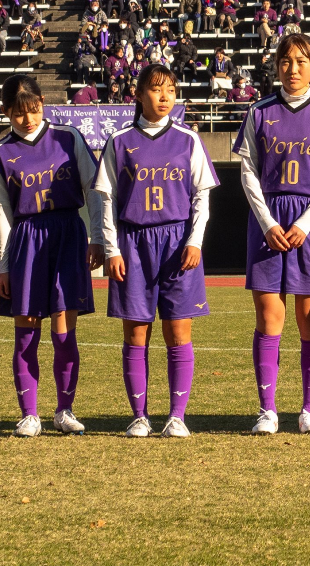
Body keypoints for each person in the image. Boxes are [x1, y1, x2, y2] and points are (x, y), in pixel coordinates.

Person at [93, 65, 221, 438]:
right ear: (138, 95)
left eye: (171, 89)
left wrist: (195, 240)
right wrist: (111, 248)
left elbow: (202, 197)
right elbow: (106, 200)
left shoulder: (188, 139)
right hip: (132, 243)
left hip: (178, 242)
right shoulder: (120, 141)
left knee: (178, 331)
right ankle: (139, 416)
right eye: (155, 89)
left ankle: (176, 416)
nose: (164, 97)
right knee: (136, 332)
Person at [234, 34, 310, 436]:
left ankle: (309, 409)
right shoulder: (259, 111)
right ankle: (268, 410)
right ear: (276, 65)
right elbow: (247, 171)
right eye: (286, 60)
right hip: (268, 220)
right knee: (269, 318)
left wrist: (306, 222)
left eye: (302, 61)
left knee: (309, 318)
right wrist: (267, 222)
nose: (294, 68)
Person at [0, 75, 101, 438]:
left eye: (33, 109)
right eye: (19, 113)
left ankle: (64, 410)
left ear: (42, 104)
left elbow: (94, 188)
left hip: (68, 236)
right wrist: (3, 266)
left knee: (65, 331)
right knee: (26, 333)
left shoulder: (68, 137)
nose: (28, 119)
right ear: (5, 112)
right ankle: (29, 414)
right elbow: (2, 212)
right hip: (27, 242)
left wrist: (97, 238)